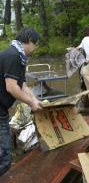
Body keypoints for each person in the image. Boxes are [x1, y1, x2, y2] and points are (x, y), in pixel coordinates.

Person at [0, 28, 42, 176]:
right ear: (29, 40)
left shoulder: (21, 56)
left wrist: (35, 99)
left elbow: (22, 85)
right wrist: (31, 104)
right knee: (4, 156)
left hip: (2, 108)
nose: (36, 48)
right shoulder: (13, 56)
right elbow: (11, 87)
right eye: (35, 44)